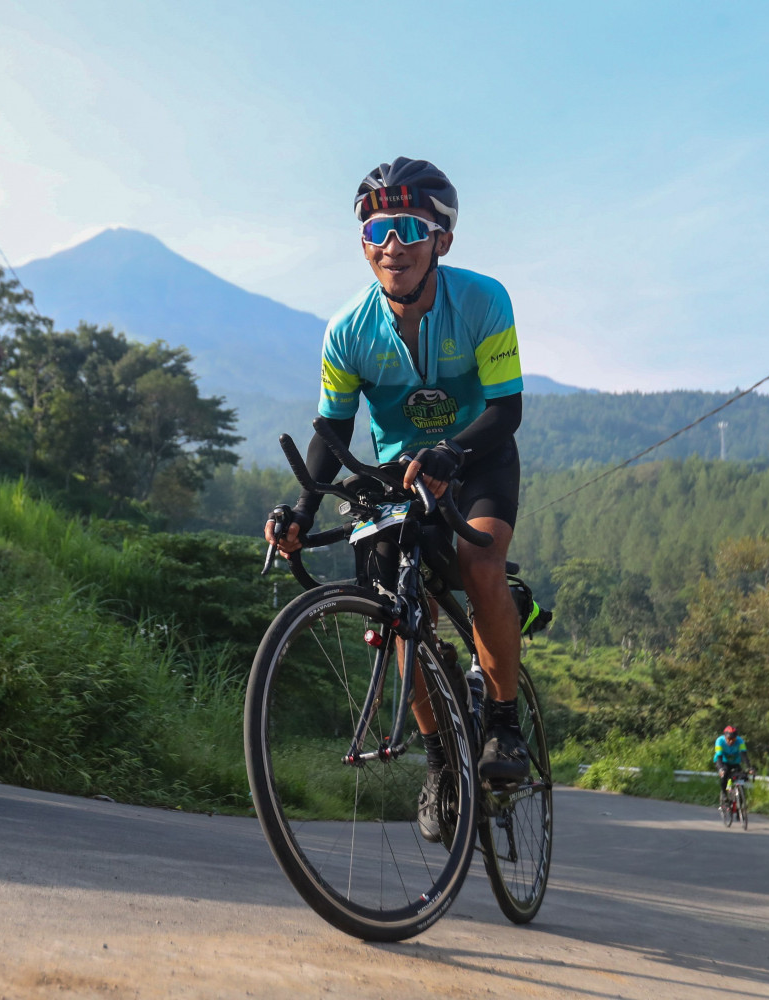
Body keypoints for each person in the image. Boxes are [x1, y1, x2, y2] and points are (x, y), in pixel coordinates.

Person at [263, 157, 528, 842]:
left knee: (481, 567)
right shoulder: (347, 330)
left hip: (477, 457)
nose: (392, 244)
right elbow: (331, 430)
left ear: (442, 239)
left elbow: (506, 409)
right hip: (396, 477)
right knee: (397, 613)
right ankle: (439, 761)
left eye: (409, 228)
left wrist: (453, 453)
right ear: (362, 245)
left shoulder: (484, 301)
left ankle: (503, 723)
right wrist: (301, 512)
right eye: (376, 230)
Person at [713, 725, 751, 805]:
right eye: (729, 739)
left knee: (741, 776)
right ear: (725, 737)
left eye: (733, 739)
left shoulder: (740, 741)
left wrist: (749, 767)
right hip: (722, 761)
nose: (731, 741)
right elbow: (719, 757)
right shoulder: (719, 741)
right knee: (724, 774)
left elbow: (744, 755)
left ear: (736, 738)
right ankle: (724, 793)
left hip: (735, 762)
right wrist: (720, 769)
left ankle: (740, 796)